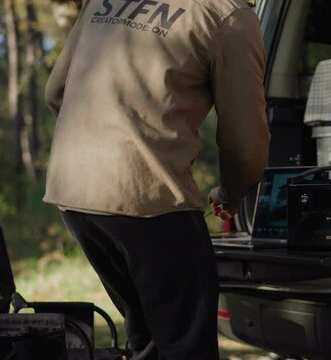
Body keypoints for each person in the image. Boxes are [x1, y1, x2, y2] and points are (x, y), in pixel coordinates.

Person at [43, 0, 270, 358]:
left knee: (147, 337)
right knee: (185, 344)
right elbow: (245, 145)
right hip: (146, 199)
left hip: (73, 193)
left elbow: (55, 91)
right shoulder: (228, 16)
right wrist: (232, 193)